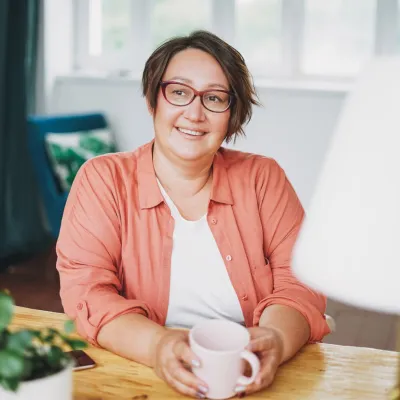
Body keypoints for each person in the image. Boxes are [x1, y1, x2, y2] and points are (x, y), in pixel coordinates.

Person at [56, 30, 330, 398]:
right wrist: (160, 347)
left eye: (215, 98)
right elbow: (87, 294)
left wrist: (277, 339)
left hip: (252, 375)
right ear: (154, 100)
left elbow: (300, 281)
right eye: (180, 92)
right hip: (141, 372)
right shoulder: (103, 180)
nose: (195, 113)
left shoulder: (264, 177)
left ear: (232, 116)